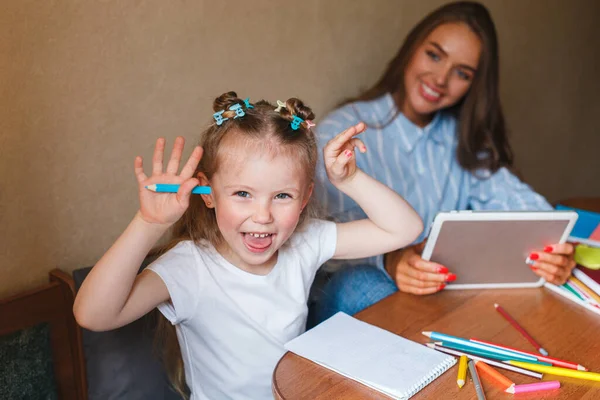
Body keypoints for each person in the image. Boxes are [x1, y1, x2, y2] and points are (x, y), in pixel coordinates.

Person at [73, 91, 423, 399]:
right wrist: (148, 224)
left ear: (304, 199)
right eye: (243, 194)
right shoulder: (190, 266)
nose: (263, 215)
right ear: (207, 193)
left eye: (282, 196)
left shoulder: (304, 241)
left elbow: (404, 230)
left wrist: (352, 179)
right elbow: (92, 315)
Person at [310, 1, 576, 325]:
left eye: (462, 73)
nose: (440, 78)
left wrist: (554, 250)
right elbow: (321, 240)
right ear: (412, 48)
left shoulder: (462, 140)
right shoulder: (343, 130)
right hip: (352, 297)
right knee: (364, 285)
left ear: (473, 85)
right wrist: (390, 260)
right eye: (434, 55)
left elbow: (528, 209)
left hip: (433, 301)